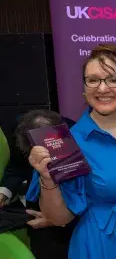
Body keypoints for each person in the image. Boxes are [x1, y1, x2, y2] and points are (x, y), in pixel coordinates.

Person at [26, 44, 116, 259]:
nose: (102, 89)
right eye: (93, 80)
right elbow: (59, 218)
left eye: (113, 79)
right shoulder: (68, 143)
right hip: (104, 246)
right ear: (84, 88)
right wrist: (48, 178)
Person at [4, 111, 75, 259]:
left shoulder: (79, 143)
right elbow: (17, 166)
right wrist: (3, 192)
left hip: (76, 228)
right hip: (38, 219)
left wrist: (55, 220)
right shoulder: (21, 134)